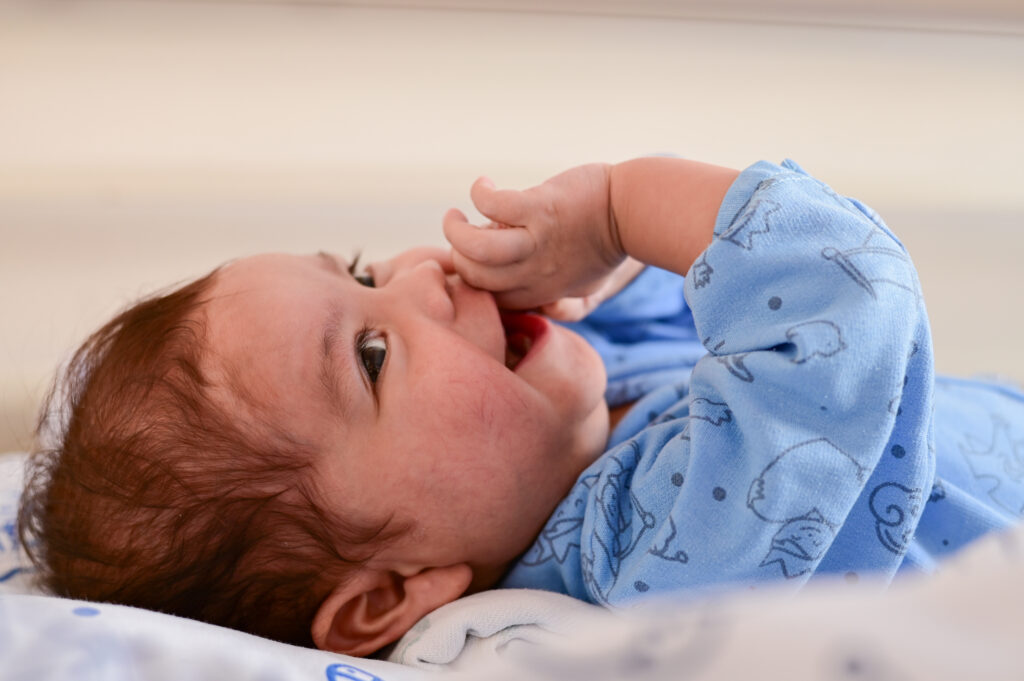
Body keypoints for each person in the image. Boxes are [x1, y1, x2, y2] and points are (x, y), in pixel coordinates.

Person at [18, 156, 1024, 659]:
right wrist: (615, 208)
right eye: (370, 353)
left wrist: (572, 286)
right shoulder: (658, 555)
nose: (423, 273)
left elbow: (675, 327)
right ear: (386, 598)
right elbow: (827, 289)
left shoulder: (569, 445)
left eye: (364, 270)